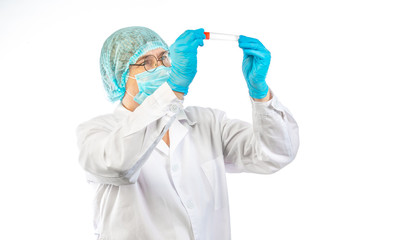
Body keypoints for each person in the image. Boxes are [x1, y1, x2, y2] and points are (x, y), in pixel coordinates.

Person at [76, 26, 299, 240]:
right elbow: (119, 164)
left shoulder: (207, 123)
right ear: (120, 75)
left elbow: (275, 154)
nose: (161, 67)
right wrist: (174, 89)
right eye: (147, 62)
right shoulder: (97, 132)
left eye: (164, 57)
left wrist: (260, 92)